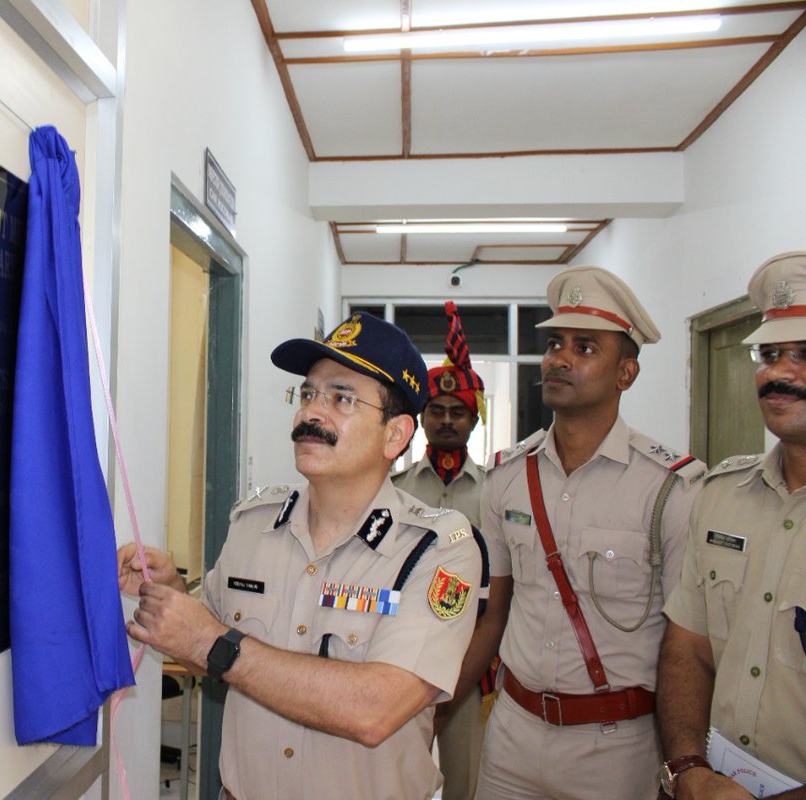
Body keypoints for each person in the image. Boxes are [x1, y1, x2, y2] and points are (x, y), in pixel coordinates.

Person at [119, 312, 483, 799]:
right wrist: (166, 596)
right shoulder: (252, 525)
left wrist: (214, 643)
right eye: (308, 394)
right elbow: (206, 640)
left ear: (395, 435)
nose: (311, 414)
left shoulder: (437, 550)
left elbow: (376, 710)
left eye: (342, 398)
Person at [470, 266, 706, 800]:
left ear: (626, 373)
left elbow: (686, 643)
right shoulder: (508, 476)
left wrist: (685, 762)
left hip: (618, 749)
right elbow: (494, 611)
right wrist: (438, 709)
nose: (559, 358)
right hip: (511, 735)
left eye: (584, 347)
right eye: (555, 343)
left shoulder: (670, 489)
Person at [657, 251, 806, 800]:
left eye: (804, 354)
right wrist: (688, 768)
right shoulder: (721, 497)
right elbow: (687, 649)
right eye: (769, 354)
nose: (779, 374)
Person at [392, 301, 496, 800]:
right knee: (391, 773)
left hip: (473, 657)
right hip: (400, 649)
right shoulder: (393, 489)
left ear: (474, 422)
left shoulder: (496, 492)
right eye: (438, 410)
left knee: (466, 778)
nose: (448, 420)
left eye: (459, 412)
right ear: (422, 418)